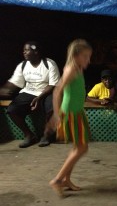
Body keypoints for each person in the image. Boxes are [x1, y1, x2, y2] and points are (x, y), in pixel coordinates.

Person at [49, 39, 92, 197]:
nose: (89, 60)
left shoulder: (78, 68)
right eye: (86, 56)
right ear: (75, 55)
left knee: (77, 148)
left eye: (89, 56)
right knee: (82, 148)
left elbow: (78, 92)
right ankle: (58, 179)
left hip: (77, 112)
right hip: (70, 113)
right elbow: (57, 91)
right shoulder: (71, 69)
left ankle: (66, 179)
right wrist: (56, 114)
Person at [0, 41, 60, 148]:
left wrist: (39, 98)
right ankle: (30, 135)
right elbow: (13, 83)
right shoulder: (22, 65)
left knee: (51, 108)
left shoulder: (49, 64)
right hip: (29, 92)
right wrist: (4, 89)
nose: (24, 52)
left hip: (47, 92)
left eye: (27, 50)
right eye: (24, 50)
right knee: (12, 110)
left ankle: (46, 136)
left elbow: (53, 85)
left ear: (36, 51)